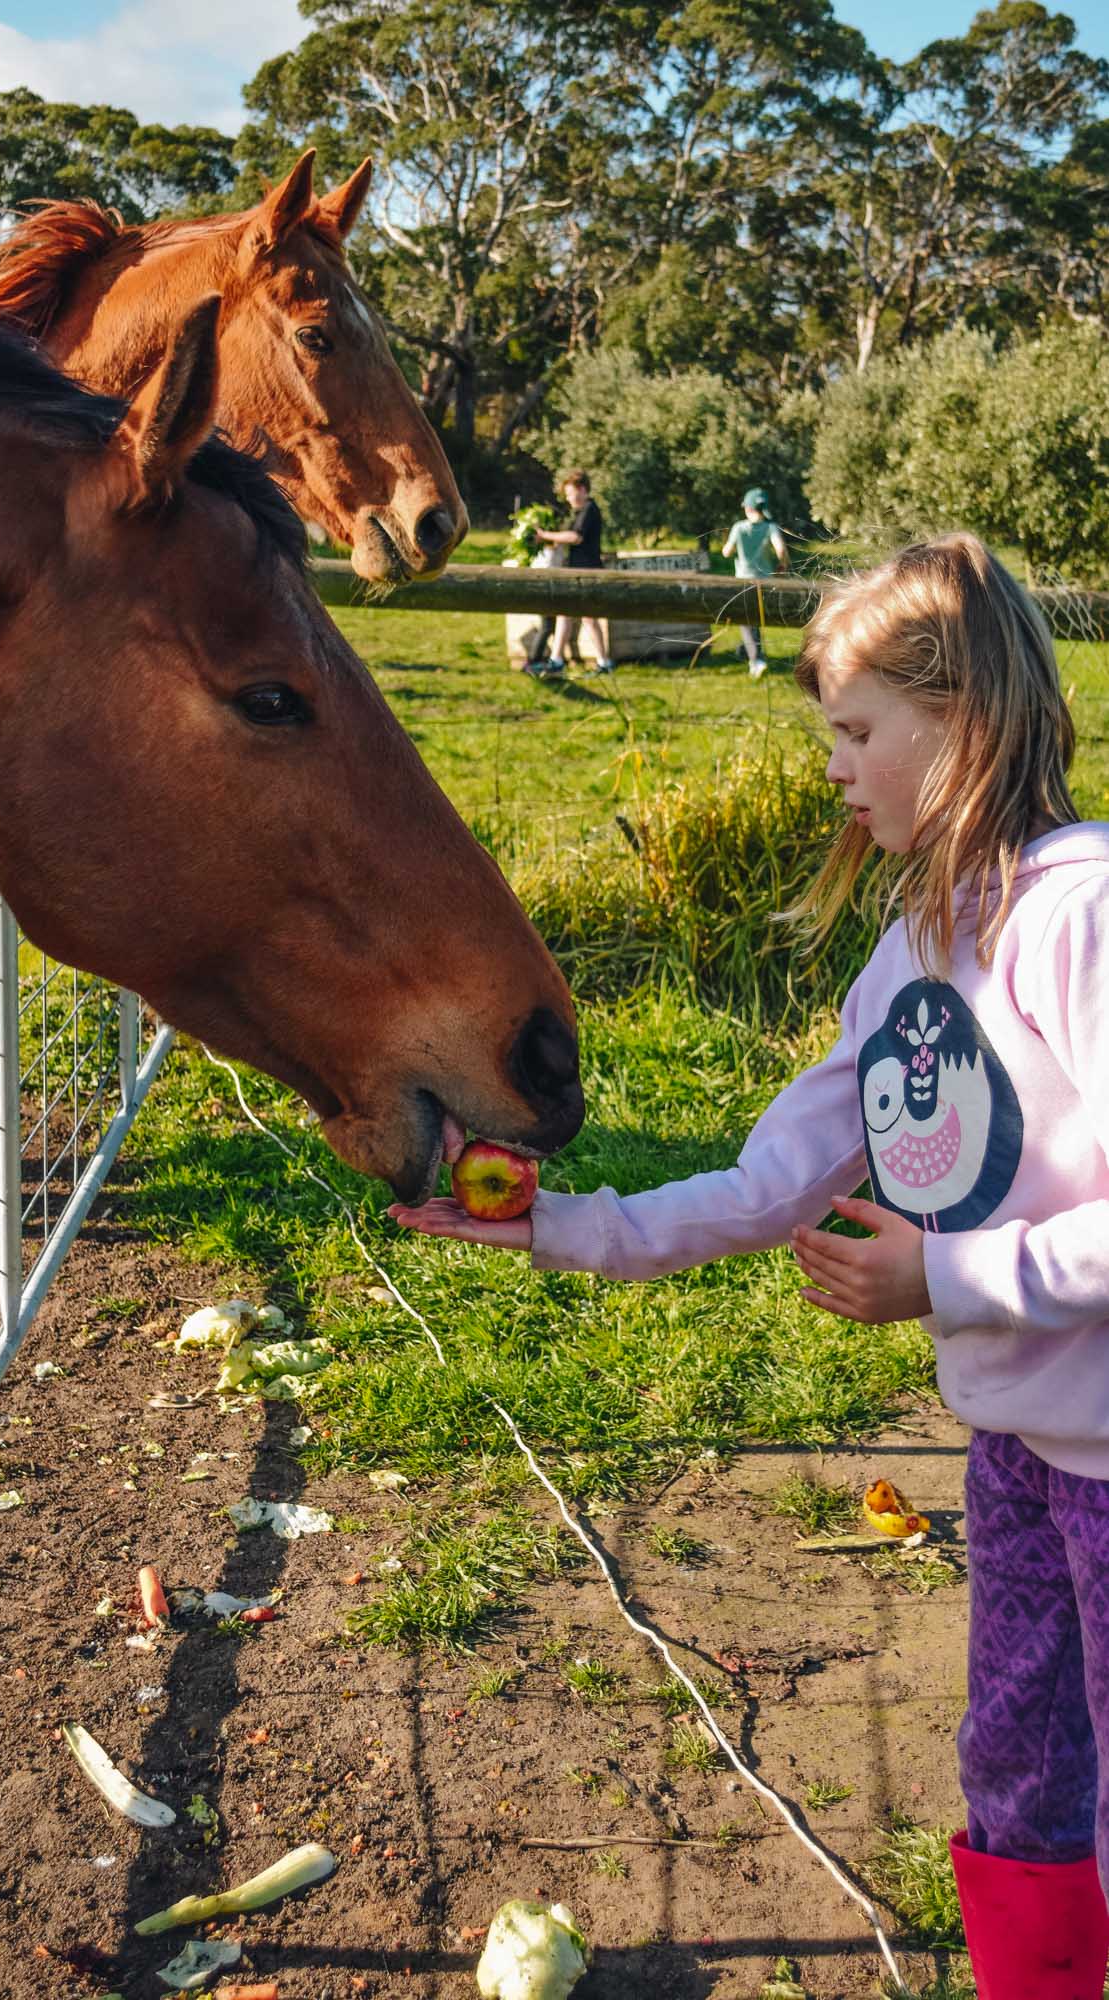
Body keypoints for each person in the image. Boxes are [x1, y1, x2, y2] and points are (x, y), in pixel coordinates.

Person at [391, 533, 1109, 2000]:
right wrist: (553, 1225)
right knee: (1017, 1754)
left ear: (962, 721)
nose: (835, 766)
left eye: (856, 730)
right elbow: (766, 1184)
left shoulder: (1076, 915)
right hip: (1021, 1449)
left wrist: (947, 1282)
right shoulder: (910, 963)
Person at [531, 470, 613, 676]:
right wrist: (549, 541)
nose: (568, 499)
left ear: (582, 490)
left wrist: (545, 535)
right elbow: (567, 536)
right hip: (576, 570)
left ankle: (604, 663)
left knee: (588, 618)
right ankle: (557, 660)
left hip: (588, 571)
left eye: (570, 493)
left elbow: (576, 537)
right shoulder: (579, 512)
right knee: (565, 614)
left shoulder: (589, 510)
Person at [722, 486, 787, 679]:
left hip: (743, 580)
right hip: (765, 582)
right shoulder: (771, 528)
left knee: (746, 620)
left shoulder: (739, 527)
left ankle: (756, 661)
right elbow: (781, 550)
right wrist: (783, 565)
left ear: (747, 509)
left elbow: (726, 552)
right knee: (754, 619)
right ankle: (747, 651)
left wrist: (732, 546)